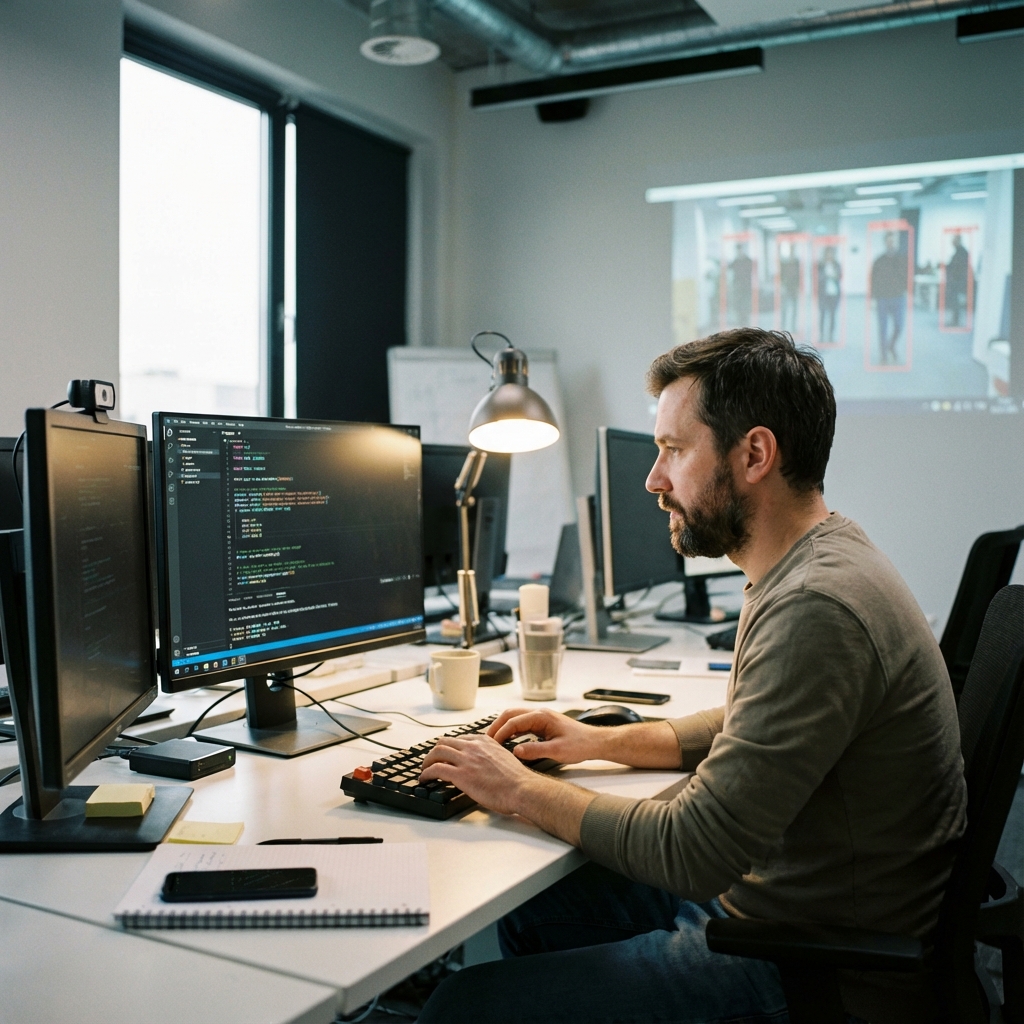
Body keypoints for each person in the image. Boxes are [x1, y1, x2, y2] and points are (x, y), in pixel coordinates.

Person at [417, 328, 965, 1024]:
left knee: (460, 1007)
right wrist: (595, 740)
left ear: (755, 454)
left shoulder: (815, 606)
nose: (654, 479)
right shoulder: (821, 556)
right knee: (545, 905)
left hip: (810, 968)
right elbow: (747, 721)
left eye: (674, 450)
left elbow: (694, 850)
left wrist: (516, 787)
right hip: (796, 911)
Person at [870, 231, 908, 363]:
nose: (891, 243)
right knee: (883, 328)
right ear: (885, 242)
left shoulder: (902, 258)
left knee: (899, 326)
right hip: (883, 298)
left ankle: (891, 345)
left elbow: (907, 277)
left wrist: (906, 290)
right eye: (889, 241)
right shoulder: (879, 261)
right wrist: (872, 299)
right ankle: (883, 355)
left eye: (893, 241)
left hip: (898, 297)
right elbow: (873, 280)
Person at [817, 244, 842, 344]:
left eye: (832, 253)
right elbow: (817, 278)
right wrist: (826, 275)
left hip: (834, 294)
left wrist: (833, 275)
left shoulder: (837, 265)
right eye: (828, 253)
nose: (830, 255)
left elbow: (839, 276)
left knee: (832, 315)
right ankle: (822, 335)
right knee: (822, 315)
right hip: (823, 294)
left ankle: (831, 335)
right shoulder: (820, 265)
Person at [944, 234, 970, 327]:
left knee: (956, 302)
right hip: (956, 281)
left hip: (958, 281)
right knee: (955, 301)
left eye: (953, 240)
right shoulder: (959, 252)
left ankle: (956, 321)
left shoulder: (962, 252)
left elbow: (958, 268)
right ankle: (955, 320)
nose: (952, 242)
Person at [778, 242, 801, 333]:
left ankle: (793, 326)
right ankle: (783, 325)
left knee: (794, 308)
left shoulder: (797, 262)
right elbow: (781, 275)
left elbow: (799, 275)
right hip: (786, 287)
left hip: (794, 288)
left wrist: (798, 287)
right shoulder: (784, 263)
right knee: (784, 307)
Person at [730, 243, 754, 325]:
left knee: (745, 305)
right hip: (737, 287)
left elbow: (751, 271)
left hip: (746, 287)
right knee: (738, 305)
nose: (739, 252)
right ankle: (740, 322)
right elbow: (729, 267)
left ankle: (745, 322)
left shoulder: (748, 260)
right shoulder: (736, 261)